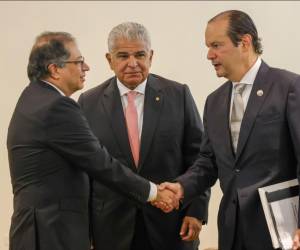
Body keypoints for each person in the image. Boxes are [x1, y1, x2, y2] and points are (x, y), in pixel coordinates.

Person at [6, 31, 177, 250]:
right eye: (79, 62)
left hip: (36, 229)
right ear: (55, 69)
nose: (86, 68)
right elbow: (101, 163)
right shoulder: (57, 107)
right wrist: (154, 193)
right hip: (52, 231)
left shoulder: (32, 98)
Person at [158, 10, 300, 250]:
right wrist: (181, 187)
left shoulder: (289, 87)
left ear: (244, 42)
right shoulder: (214, 101)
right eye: (207, 46)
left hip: (282, 232)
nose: (209, 55)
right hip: (232, 229)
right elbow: (208, 162)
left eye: (216, 45)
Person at [78, 22, 210, 250]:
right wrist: (85, 230)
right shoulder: (88, 103)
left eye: (140, 54)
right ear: (109, 60)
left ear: (151, 56)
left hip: (171, 225)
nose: (132, 63)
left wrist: (197, 211)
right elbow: (84, 172)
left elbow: (200, 158)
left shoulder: (178, 95)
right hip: (110, 228)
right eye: (123, 56)